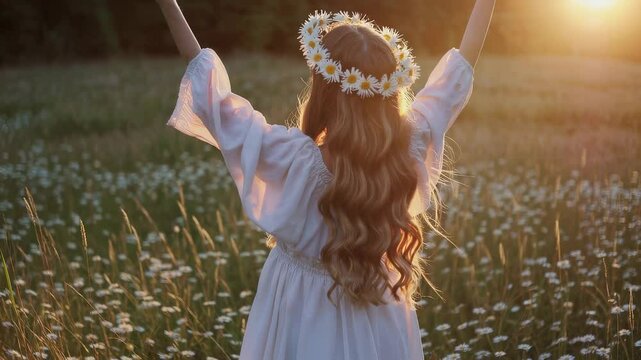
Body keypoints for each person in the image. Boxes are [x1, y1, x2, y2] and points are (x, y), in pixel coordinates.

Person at [157, 1, 494, 359]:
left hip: (299, 309)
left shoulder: (293, 158)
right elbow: (457, 75)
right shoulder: (408, 148)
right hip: (380, 314)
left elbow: (214, 100)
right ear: (390, 94)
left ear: (324, 89)